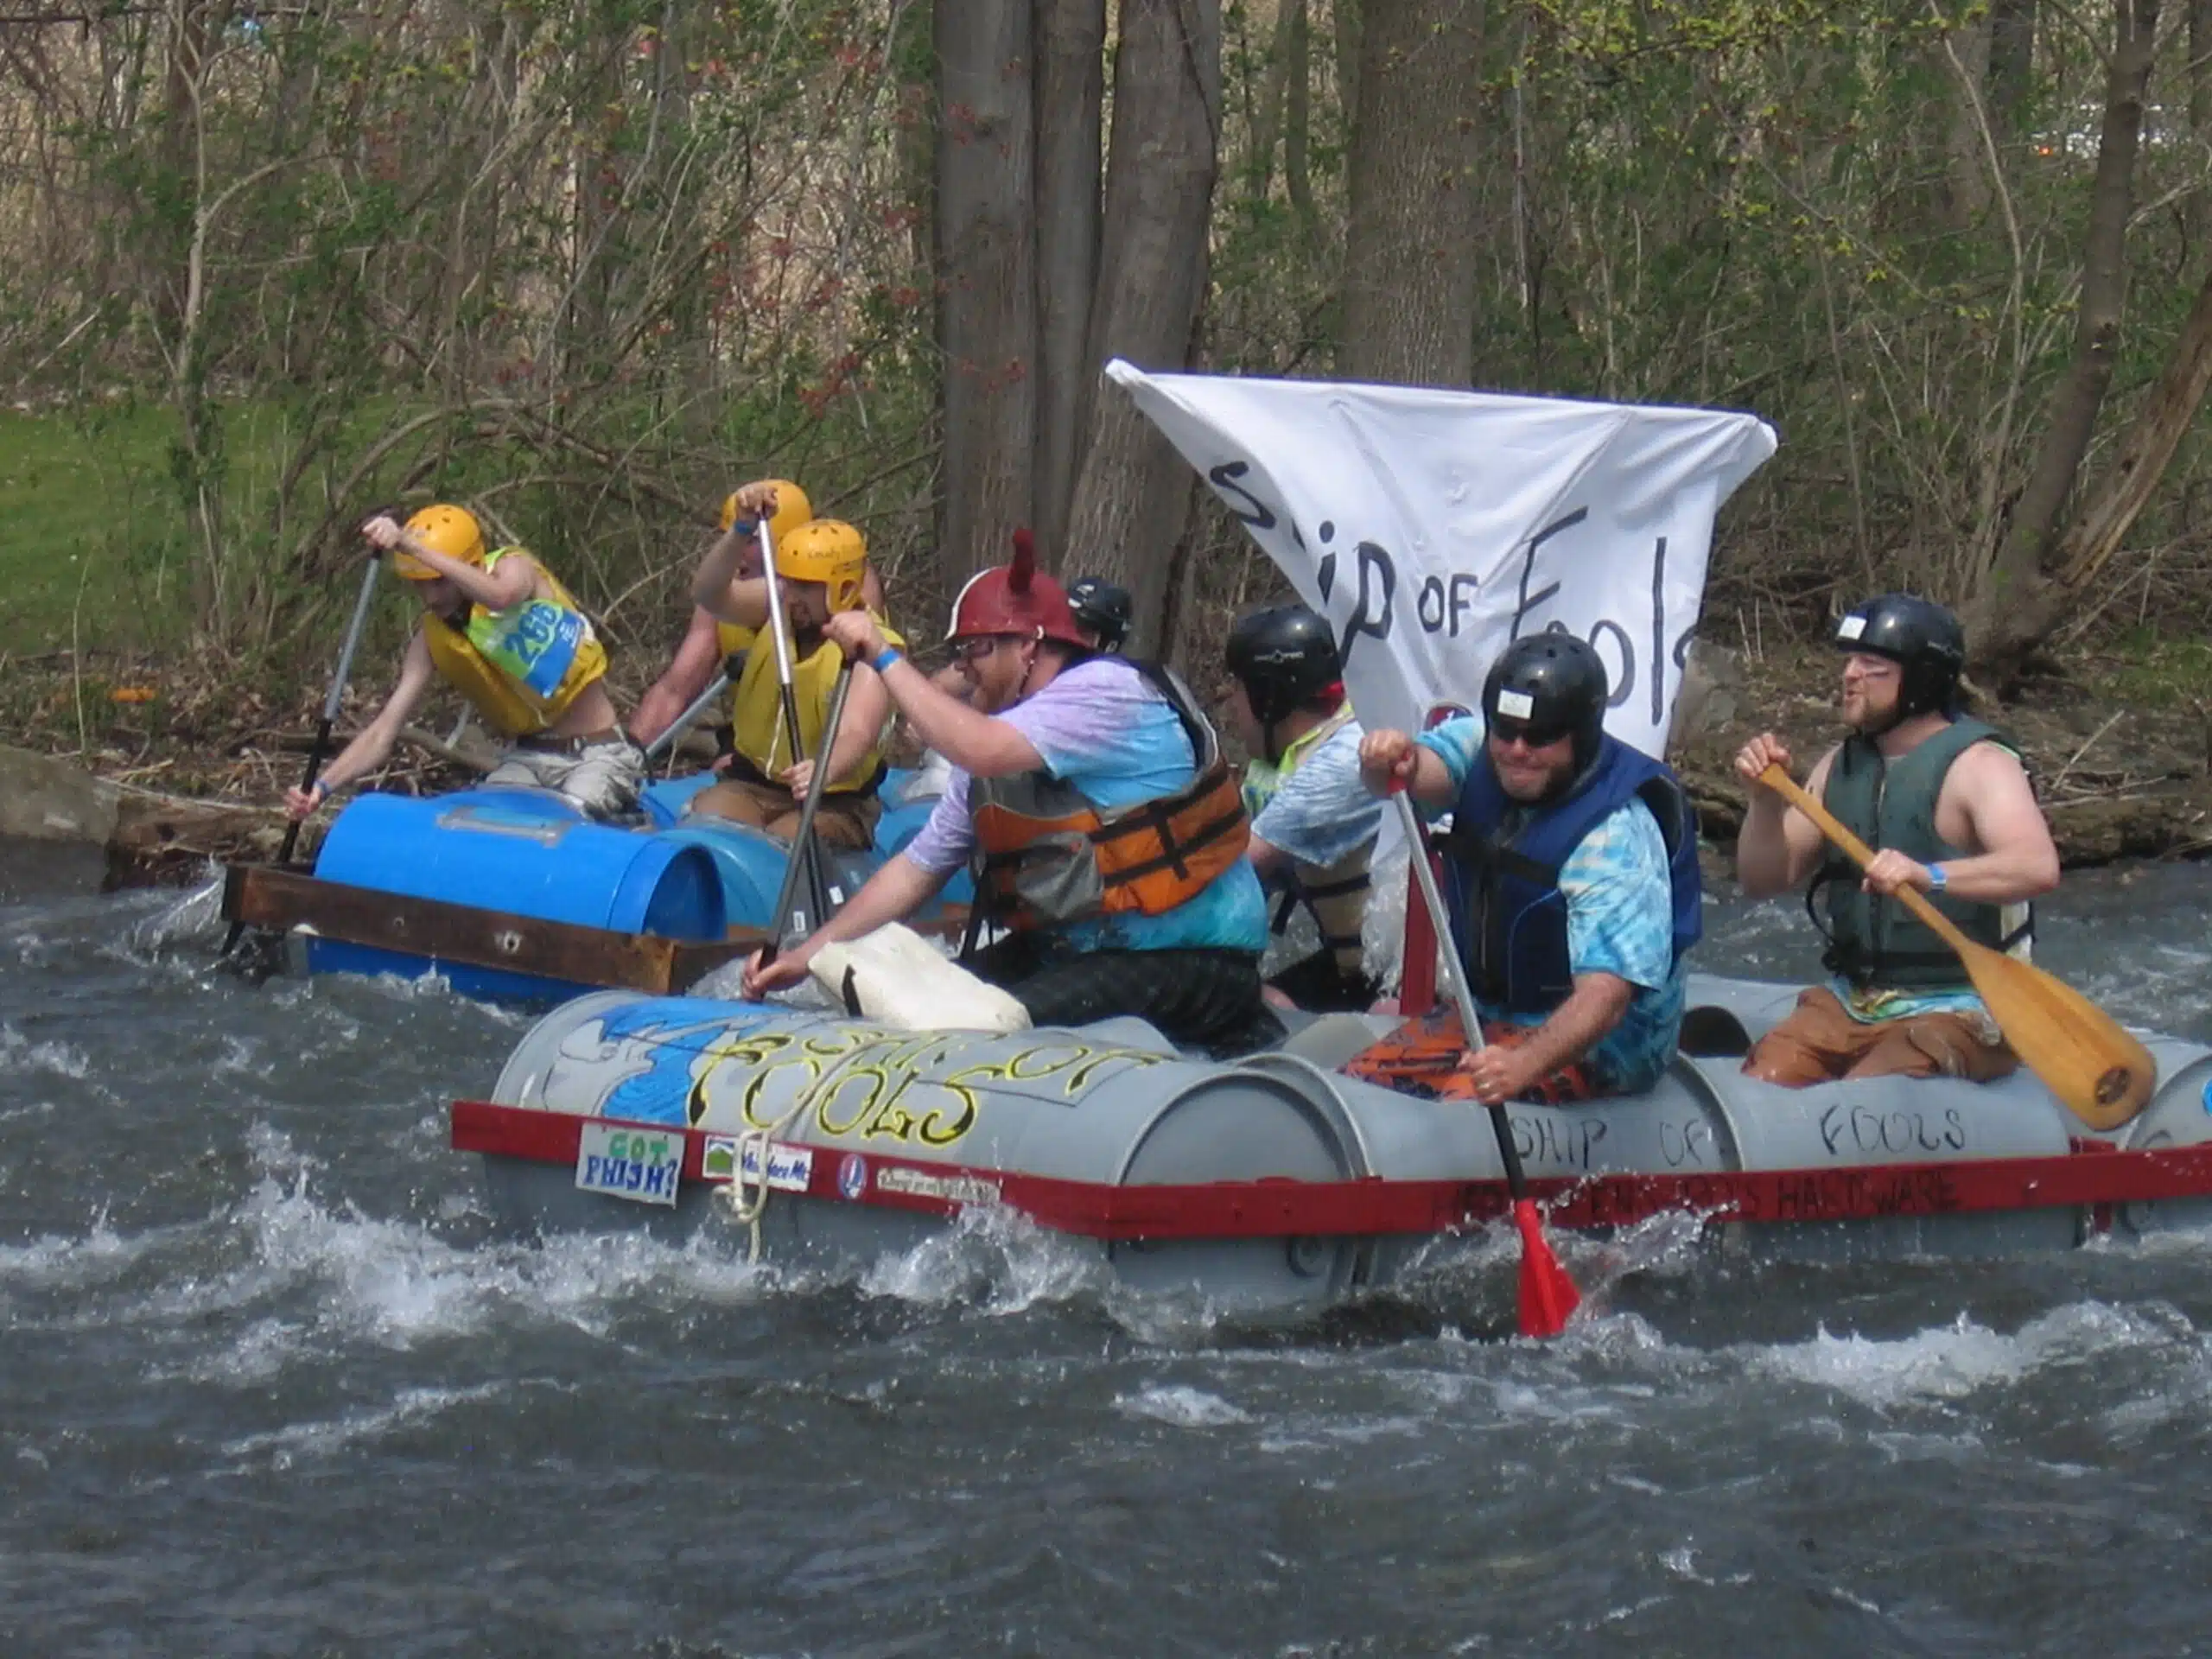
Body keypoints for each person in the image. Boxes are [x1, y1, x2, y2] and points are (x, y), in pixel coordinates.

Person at [742, 532, 1280, 1055]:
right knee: (912, 1021)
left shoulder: (1105, 693)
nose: (964, 667)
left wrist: (884, 657)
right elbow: (915, 870)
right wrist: (809, 955)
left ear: (1028, 645)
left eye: (975, 648)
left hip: (1194, 959)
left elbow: (981, 747)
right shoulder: (1002, 748)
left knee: (969, 1032)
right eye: (958, 652)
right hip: (1081, 955)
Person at [1349, 632, 1702, 1105]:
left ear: (1580, 736)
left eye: (1539, 738)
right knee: (1359, 1086)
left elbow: (1606, 999)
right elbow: (1407, 777)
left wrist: (1521, 1067)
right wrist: (1391, 760)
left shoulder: (1616, 839)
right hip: (1488, 1015)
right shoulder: (1478, 746)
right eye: (1506, 731)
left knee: (1459, 1112)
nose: (1517, 750)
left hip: (1610, 1043)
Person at [1732, 594, 2058, 1085]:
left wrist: (1929, 876)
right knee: (1765, 1080)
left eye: (1872, 664)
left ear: (1922, 678)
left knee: (1870, 1094)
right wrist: (1764, 801)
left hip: (1966, 1005)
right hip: (1853, 1002)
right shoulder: (1840, 765)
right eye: (1849, 660)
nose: (1850, 674)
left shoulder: (1981, 765)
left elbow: (2036, 867)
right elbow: (1762, 880)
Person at [283, 505, 641, 823]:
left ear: (466, 565)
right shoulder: (430, 640)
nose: (431, 597)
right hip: (529, 760)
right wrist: (322, 786)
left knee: (566, 821)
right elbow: (382, 732)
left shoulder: (513, 567)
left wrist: (412, 547)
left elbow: (502, 597)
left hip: (598, 754)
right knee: (479, 828)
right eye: (420, 586)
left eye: (439, 582)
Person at [686, 490, 902, 849]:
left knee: (786, 841)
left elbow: (857, 731)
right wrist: (740, 530)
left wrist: (824, 769)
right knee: (707, 824)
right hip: (753, 783)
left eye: (805, 587)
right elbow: (709, 594)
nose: (789, 595)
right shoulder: (780, 604)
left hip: (833, 800)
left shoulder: (875, 645)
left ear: (842, 589)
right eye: (786, 582)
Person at [627, 481, 888, 760]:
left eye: (750, 540)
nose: (736, 552)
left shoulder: (844, 583)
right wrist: (628, 755)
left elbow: (859, 697)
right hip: (757, 737)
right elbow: (675, 689)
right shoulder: (724, 591)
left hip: (827, 741)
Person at [1224, 604, 1382, 1013]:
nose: (1231, 707)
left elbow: (1231, 872)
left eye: (1237, 691)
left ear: (1267, 697)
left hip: (1383, 984)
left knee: (1227, 1003)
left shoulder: (1342, 762)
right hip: (1347, 967)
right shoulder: (1315, 748)